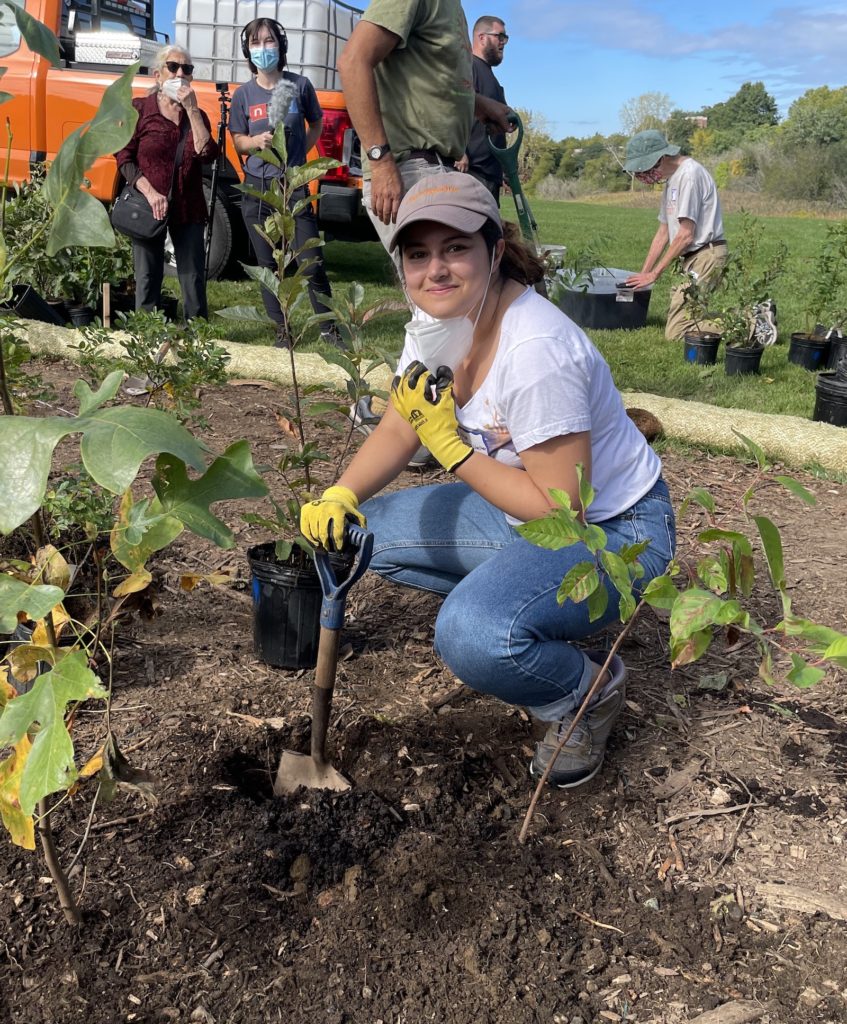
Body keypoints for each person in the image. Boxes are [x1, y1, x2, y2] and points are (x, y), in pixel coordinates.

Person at [301, 175, 676, 789]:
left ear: (494, 251)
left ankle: (585, 692)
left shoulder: (536, 351)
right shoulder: (434, 323)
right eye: (417, 254)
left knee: (470, 633)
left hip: (615, 534)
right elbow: (402, 424)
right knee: (369, 535)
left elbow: (560, 512)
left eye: (455, 248)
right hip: (517, 514)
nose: (435, 269)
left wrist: (451, 449)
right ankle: (521, 601)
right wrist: (341, 494)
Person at [337, 0, 513, 252]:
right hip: (411, 170)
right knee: (451, 285)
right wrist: (381, 163)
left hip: (438, 169)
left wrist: (480, 105)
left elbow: (433, 80)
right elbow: (353, 62)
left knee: (475, 280)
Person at [229, 18, 336, 348]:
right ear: (248, 49)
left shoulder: (299, 85)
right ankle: (282, 330)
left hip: (292, 187)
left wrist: (299, 153)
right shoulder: (243, 95)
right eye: (257, 42)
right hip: (258, 187)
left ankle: (329, 329)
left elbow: (316, 123)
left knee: (310, 260)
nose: (264, 48)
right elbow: (237, 141)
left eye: (269, 40)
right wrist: (255, 141)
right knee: (268, 265)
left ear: (281, 44)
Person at [115, 45, 217, 320]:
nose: (181, 73)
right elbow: (124, 157)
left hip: (188, 207)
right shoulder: (139, 109)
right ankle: (148, 341)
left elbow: (207, 154)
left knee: (193, 278)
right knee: (147, 277)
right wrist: (149, 192)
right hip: (150, 205)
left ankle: (198, 341)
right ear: (158, 75)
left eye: (187, 69)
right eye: (174, 67)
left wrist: (192, 110)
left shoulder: (196, 114)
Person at [623, 130, 728, 341]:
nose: (642, 176)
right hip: (693, 258)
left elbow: (685, 235)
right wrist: (642, 276)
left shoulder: (689, 176)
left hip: (706, 256)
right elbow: (663, 233)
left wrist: (655, 274)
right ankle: (749, 319)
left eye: (644, 168)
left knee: (677, 330)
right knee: (684, 318)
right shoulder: (673, 179)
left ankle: (753, 323)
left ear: (661, 158)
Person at [455, 15, 509, 203]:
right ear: (482, 37)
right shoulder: (468, 67)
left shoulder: (491, 78)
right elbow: (453, 106)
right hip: (471, 172)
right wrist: (459, 151)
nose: (503, 42)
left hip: (490, 176)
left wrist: (504, 168)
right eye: (499, 36)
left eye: (505, 38)